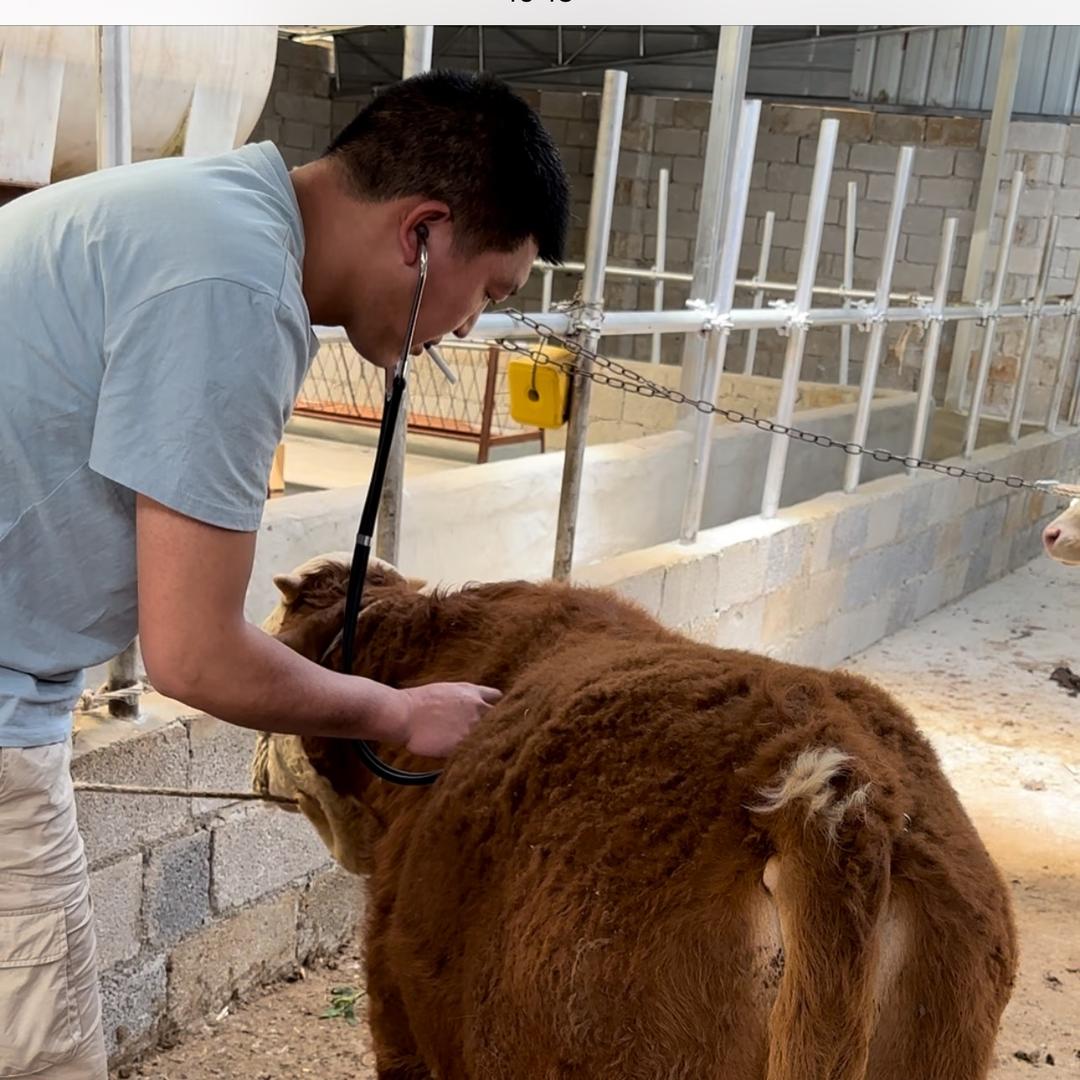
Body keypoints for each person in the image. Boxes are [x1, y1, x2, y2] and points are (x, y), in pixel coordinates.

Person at [0, 70, 570, 1076]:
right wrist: (397, 714)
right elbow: (195, 655)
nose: (474, 325)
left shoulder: (198, 213)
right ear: (422, 232)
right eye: (490, 289)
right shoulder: (237, 288)